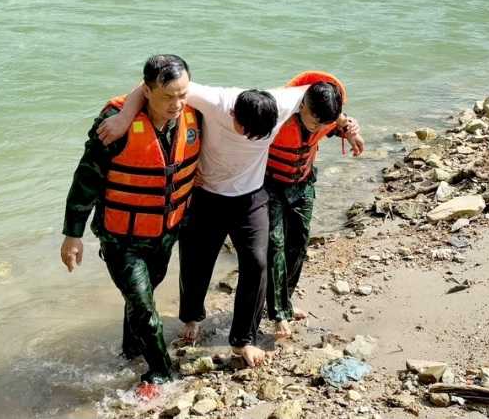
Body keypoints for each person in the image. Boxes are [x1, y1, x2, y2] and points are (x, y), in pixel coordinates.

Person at [96, 77, 360, 367]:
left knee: (257, 262)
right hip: (207, 194)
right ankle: (192, 318)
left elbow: (325, 103)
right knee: (197, 261)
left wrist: (348, 128)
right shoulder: (218, 102)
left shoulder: (285, 103)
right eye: (247, 132)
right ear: (233, 116)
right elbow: (153, 86)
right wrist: (123, 118)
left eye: (261, 136)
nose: (252, 140)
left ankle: (244, 339)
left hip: (251, 197)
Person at [59, 54, 200, 385]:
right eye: (168, 97)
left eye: (183, 95)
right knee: (145, 310)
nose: (177, 104)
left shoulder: (195, 114)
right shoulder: (113, 124)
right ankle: (160, 374)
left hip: (165, 233)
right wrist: (72, 234)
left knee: (143, 299)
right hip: (121, 238)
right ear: (147, 91)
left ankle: (130, 352)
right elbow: (85, 180)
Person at [264, 72, 364, 340]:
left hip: (302, 183)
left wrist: (352, 133)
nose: (316, 128)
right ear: (303, 105)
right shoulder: (278, 113)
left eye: (324, 125)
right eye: (313, 122)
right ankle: (278, 314)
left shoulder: (328, 116)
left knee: (299, 242)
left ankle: (285, 300)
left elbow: (342, 122)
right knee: (275, 245)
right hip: (269, 184)